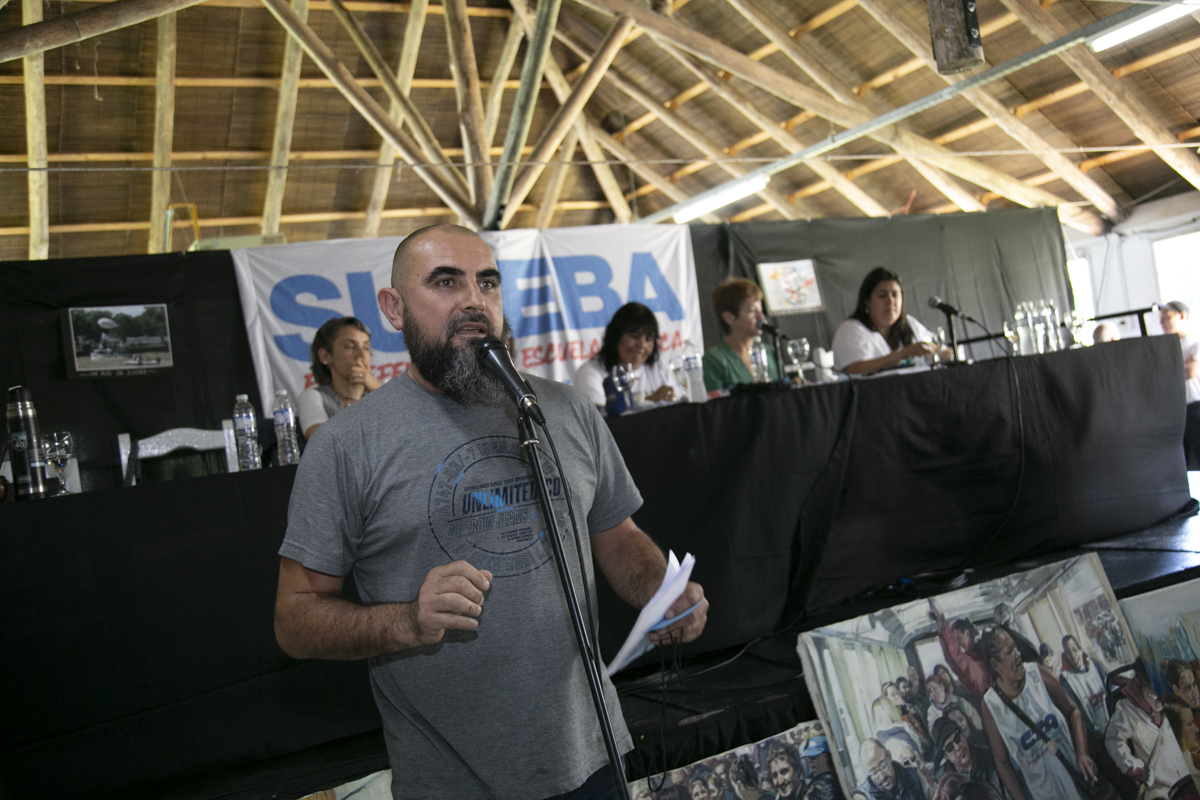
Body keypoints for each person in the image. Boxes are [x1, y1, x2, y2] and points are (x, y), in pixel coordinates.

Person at [273, 224, 709, 800]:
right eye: (445, 282)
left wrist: (660, 590)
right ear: (394, 309)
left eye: (487, 282)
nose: (474, 300)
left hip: (592, 756)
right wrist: (407, 621)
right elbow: (295, 619)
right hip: (453, 783)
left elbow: (617, 535)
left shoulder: (565, 409)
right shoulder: (346, 445)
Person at [978, 628, 1095, 800]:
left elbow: (1073, 710)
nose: (1018, 654)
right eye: (1010, 651)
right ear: (995, 664)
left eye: (1015, 647)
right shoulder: (991, 704)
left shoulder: (1036, 673)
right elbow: (1002, 762)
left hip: (1076, 780)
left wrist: (1082, 753)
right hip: (1043, 795)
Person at [831, 268, 949, 375]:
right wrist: (901, 354)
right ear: (867, 301)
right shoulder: (851, 329)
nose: (890, 301)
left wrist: (933, 350)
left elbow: (947, 352)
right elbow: (854, 369)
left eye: (895, 295)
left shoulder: (909, 323)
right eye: (882, 295)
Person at [1105, 661, 1194, 800]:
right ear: (1139, 684)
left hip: (1190, 780)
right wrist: (1134, 766)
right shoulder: (1127, 711)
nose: (1158, 699)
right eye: (1152, 691)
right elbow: (1113, 739)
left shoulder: (1173, 700)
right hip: (1160, 789)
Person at [572, 302, 680, 408]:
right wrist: (649, 399)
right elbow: (597, 417)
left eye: (648, 339)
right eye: (635, 336)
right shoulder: (591, 371)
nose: (642, 345)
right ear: (615, 337)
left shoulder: (659, 368)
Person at [296, 316, 381, 439]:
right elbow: (321, 443)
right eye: (350, 346)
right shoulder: (314, 397)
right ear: (325, 356)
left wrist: (378, 391)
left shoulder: (384, 389)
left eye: (366, 347)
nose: (361, 355)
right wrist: (353, 399)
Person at [702, 278, 780, 390]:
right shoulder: (714, 361)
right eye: (752, 311)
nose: (761, 317)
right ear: (729, 318)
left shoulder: (770, 353)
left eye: (761, 310)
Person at [1160, 301, 1200, 467]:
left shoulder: (1196, 342)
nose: (1162, 323)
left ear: (1182, 316)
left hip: (1195, 408)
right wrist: (1181, 366)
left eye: (1167, 318)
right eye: (1161, 319)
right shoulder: (1164, 347)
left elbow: (1191, 372)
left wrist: (1170, 369)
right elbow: (1156, 375)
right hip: (1175, 411)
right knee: (1179, 464)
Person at [930, 717, 1003, 797]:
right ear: (945, 755)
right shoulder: (943, 781)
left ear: (963, 736)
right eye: (949, 747)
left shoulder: (989, 758)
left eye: (957, 738)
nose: (958, 747)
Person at [1058, 634, 1109, 733]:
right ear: (1065, 656)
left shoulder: (1094, 665)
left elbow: (1109, 685)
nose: (1073, 655)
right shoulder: (1066, 680)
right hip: (1093, 732)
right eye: (1068, 652)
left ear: (1080, 649)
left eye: (1074, 650)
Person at [852, 738, 927, 800]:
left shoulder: (914, 775)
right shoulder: (863, 796)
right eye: (874, 772)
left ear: (889, 755)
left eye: (883, 765)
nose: (882, 777)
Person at [801, 735, 845, 800]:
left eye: (813, 757)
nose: (811, 763)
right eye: (808, 759)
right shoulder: (813, 783)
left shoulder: (825, 785)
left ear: (826, 756)